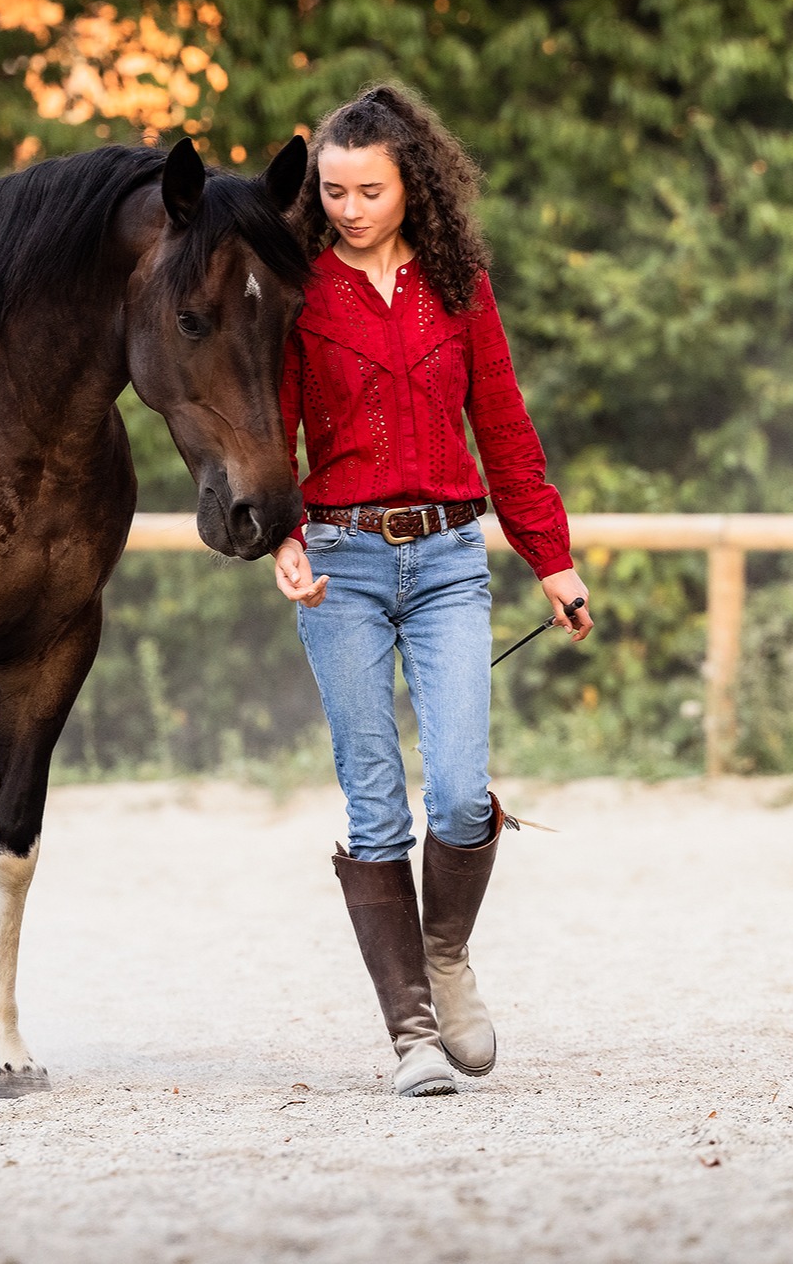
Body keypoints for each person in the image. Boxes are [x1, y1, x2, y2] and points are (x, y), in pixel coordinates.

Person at [273, 84, 593, 1097]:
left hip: (452, 559)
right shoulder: (298, 290)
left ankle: (445, 958)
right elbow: (264, 426)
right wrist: (281, 536)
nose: (350, 207)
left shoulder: (459, 285)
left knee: (458, 795)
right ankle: (410, 1031)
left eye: (369, 189)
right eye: (333, 190)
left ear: (413, 185)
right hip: (340, 563)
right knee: (375, 809)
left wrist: (551, 555)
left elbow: (501, 422)